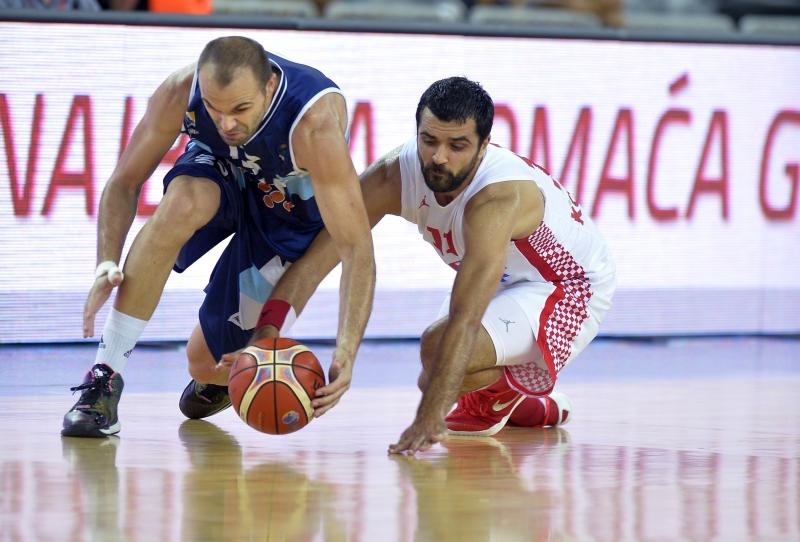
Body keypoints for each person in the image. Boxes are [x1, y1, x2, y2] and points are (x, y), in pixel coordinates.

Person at [252, 76, 615, 454]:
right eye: (429, 141)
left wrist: (428, 418)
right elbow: (318, 258)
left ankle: (504, 390)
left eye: (457, 146)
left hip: (568, 286)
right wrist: (267, 332)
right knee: (437, 372)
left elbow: (466, 317)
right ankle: (522, 400)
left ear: (483, 145)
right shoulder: (395, 174)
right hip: (506, 278)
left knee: (440, 355)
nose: (439, 157)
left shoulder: (497, 199)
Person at [62, 36, 376, 437]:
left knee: (204, 363)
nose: (226, 123)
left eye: (241, 109)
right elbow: (124, 182)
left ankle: (214, 382)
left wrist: (346, 351)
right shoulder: (182, 91)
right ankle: (103, 378)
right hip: (221, 170)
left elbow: (355, 248)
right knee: (182, 203)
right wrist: (106, 261)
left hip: (288, 210)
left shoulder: (313, 125)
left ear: (266, 88)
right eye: (215, 109)